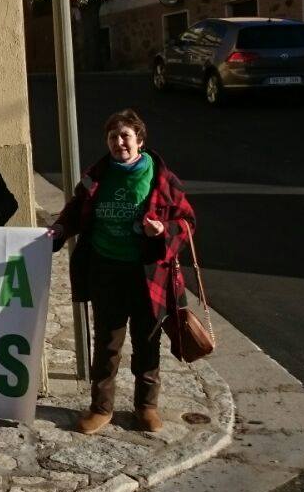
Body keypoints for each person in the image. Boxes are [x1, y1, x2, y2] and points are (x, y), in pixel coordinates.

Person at [50, 109, 196, 435]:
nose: (119, 143)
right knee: (107, 342)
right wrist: (60, 229)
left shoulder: (160, 178)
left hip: (147, 274)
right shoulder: (97, 175)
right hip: (105, 269)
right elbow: (75, 209)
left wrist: (163, 230)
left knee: (147, 340)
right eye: (113, 137)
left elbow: (187, 222)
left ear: (140, 141)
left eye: (126, 136)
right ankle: (101, 407)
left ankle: (147, 406)